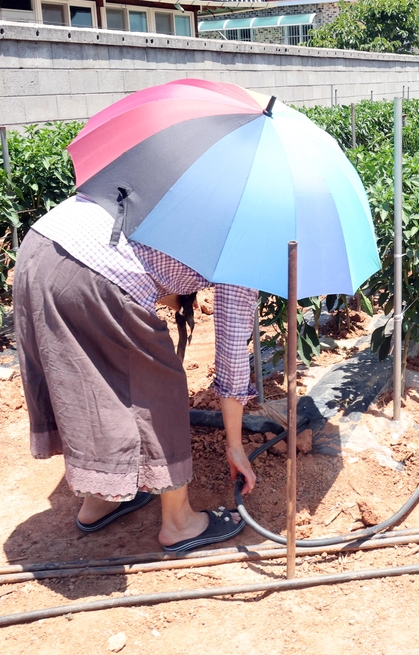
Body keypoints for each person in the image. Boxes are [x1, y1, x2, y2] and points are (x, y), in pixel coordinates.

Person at [13, 194, 259, 553]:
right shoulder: (247, 240)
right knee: (158, 386)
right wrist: (235, 447)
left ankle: (101, 500)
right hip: (97, 269)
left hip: (43, 244)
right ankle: (179, 523)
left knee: (86, 380)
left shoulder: (192, 181)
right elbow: (232, 352)